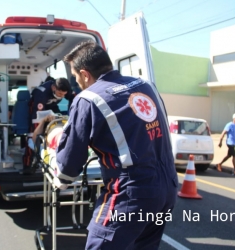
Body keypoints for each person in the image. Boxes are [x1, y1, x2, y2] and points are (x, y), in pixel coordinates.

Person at [51, 41, 177, 249]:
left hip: (130, 196)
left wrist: (61, 177)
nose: (77, 83)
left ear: (84, 74)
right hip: (167, 189)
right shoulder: (146, 85)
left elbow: (68, 165)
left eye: (75, 77)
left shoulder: (89, 99)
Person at [22, 77, 71, 174]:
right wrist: (43, 122)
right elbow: (38, 115)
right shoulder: (41, 94)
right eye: (60, 94)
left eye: (63, 95)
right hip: (37, 110)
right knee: (33, 136)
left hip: (51, 107)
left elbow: (65, 99)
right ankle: (27, 165)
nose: (61, 96)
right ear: (54, 88)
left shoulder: (63, 90)